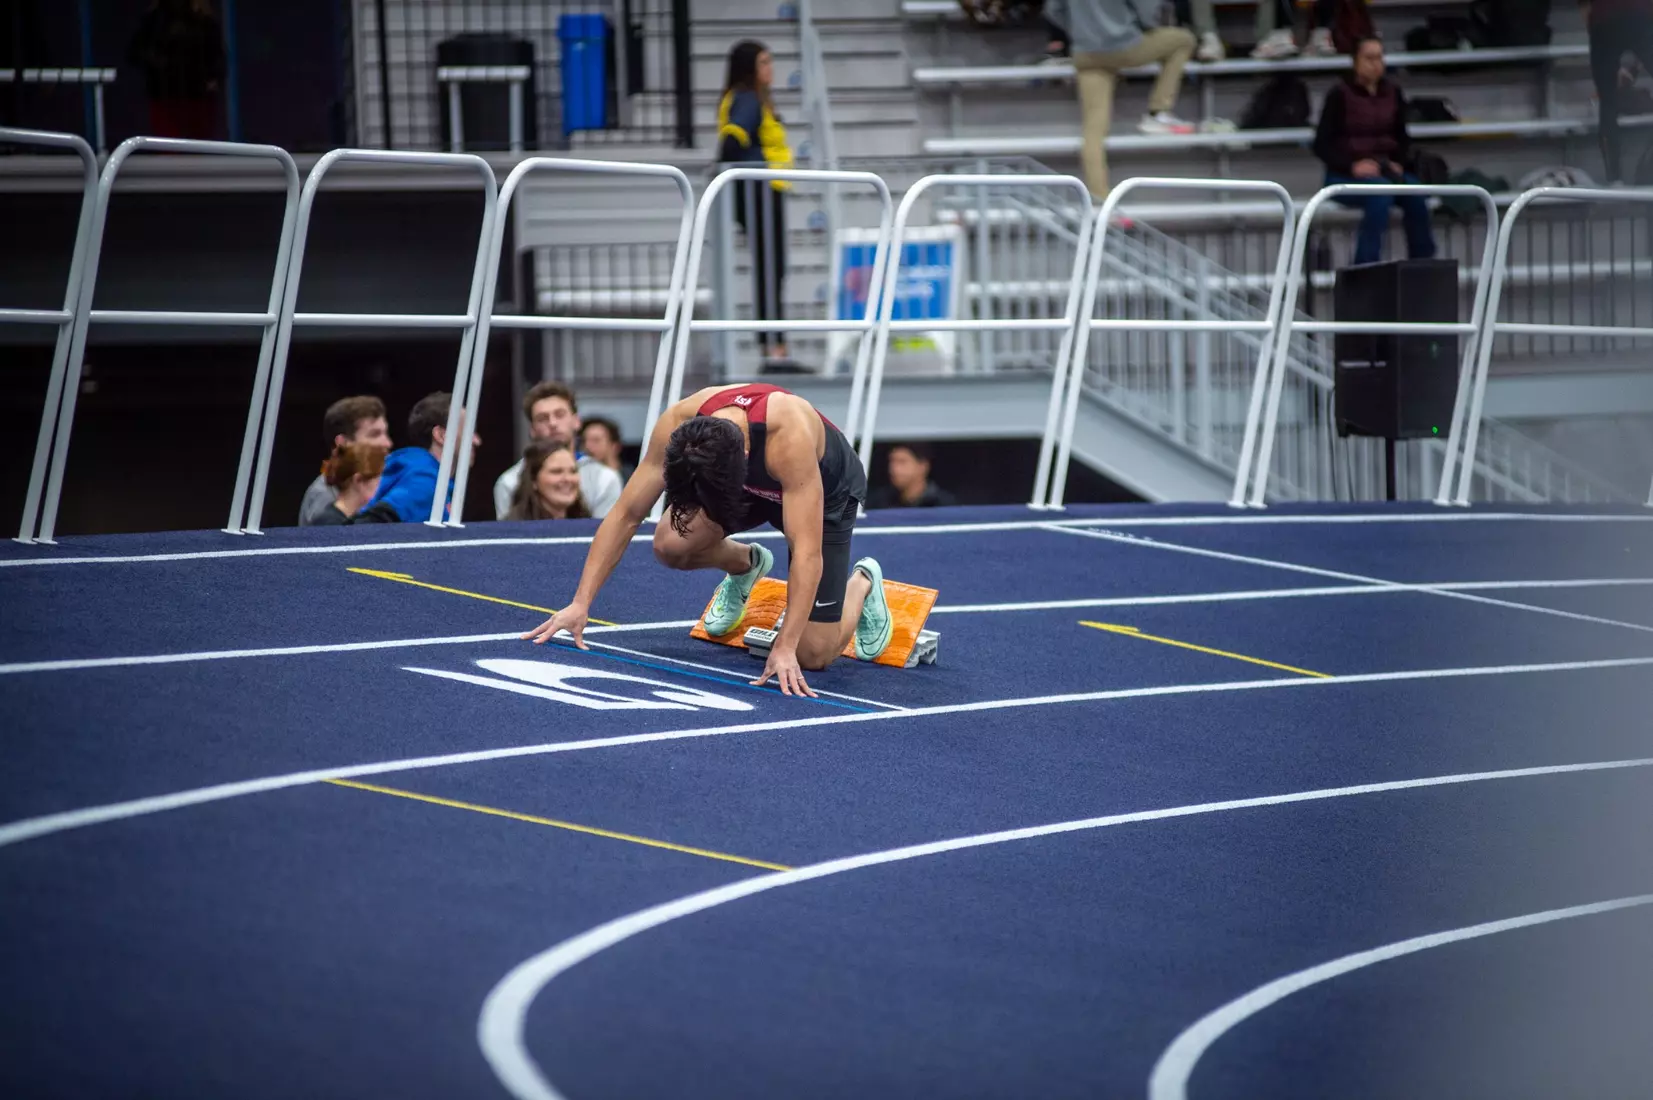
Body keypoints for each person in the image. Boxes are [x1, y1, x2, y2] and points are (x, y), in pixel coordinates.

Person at [524, 382, 892, 699]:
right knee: (670, 544)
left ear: (744, 458)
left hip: (825, 494)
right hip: (747, 487)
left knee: (813, 655)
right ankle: (746, 566)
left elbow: (808, 553)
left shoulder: (788, 436)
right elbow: (626, 514)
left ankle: (862, 584)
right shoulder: (678, 423)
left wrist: (785, 646)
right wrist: (580, 603)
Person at [1312, 36, 1438, 266]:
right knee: (1380, 195)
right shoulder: (1339, 95)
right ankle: (1365, 267)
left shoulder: (1393, 92)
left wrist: (1398, 162)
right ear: (1355, 62)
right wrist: (1352, 166)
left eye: (1379, 57)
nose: (1375, 64)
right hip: (1344, 174)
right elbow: (1321, 144)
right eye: (1369, 58)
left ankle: (1423, 266)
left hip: (1385, 170)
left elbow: (1402, 138)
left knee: (1416, 195)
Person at [1053, 0, 1196, 199]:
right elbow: (1148, 9)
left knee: (1093, 131)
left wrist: (1080, 31)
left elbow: (1053, 11)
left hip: (1086, 52)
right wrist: (1140, 27)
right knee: (1184, 40)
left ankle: (1100, 199)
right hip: (1124, 45)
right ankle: (1158, 111)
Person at [718, 40, 796, 368]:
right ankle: (772, 349)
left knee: (772, 268)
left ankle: (774, 345)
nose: (770, 69)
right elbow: (732, 142)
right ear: (750, 68)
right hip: (760, 193)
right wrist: (749, 174)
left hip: (765, 191)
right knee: (770, 268)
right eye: (764, 63)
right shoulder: (747, 99)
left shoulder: (755, 99)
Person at [493, 382, 623, 520]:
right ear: (532, 430)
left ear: (576, 421)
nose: (553, 423)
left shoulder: (605, 479)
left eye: (560, 415)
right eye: (542, 418)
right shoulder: (509, 482)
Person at [366, 391, 481, 523]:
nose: (477, 441)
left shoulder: (427, 476)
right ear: (442, 436)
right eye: (469, 431)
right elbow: (367, 525)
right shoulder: (425, 479)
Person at [127, 0, 225, 139]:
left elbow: (218, 55)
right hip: (164, 96)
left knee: (199, 148)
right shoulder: (155, 19)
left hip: (198, 97)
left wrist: (214, 78)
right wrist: (157, 62)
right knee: (169, 147)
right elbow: (135, 52)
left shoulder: (203, 19)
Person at [1584, 0, 1653, 184]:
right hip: (1628, 17)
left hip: (1615, 19)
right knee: (1607, 101)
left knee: (1607, 102)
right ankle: (1614, 179)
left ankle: (1614, 179)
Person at [298, 395, 391, 526]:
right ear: (343, 443)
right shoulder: (324, 497)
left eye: (385, 433)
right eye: (374, 434)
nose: (387, 443)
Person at [309, 441, 399, 526]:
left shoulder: (355, 521)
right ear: (359, 481)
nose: (383, 487)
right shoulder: (328, 524)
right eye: (379, 480)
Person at [506, 440, 592, 522]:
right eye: (556, 472)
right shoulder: (512, 528)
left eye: (573, 471)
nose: (567, 479)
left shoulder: (591, 525)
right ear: (533, 480)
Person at [868, 443, 959, 509]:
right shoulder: (879, 503)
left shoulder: (943, 505)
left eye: (902, 462)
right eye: (891, 462)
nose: (893, 469)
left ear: (923, 466)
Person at [579, 416, 634, 483]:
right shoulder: (580, 479)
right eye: (584, 441)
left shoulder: (633, 479)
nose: (587, 446)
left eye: (596, 440)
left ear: (615, 447)